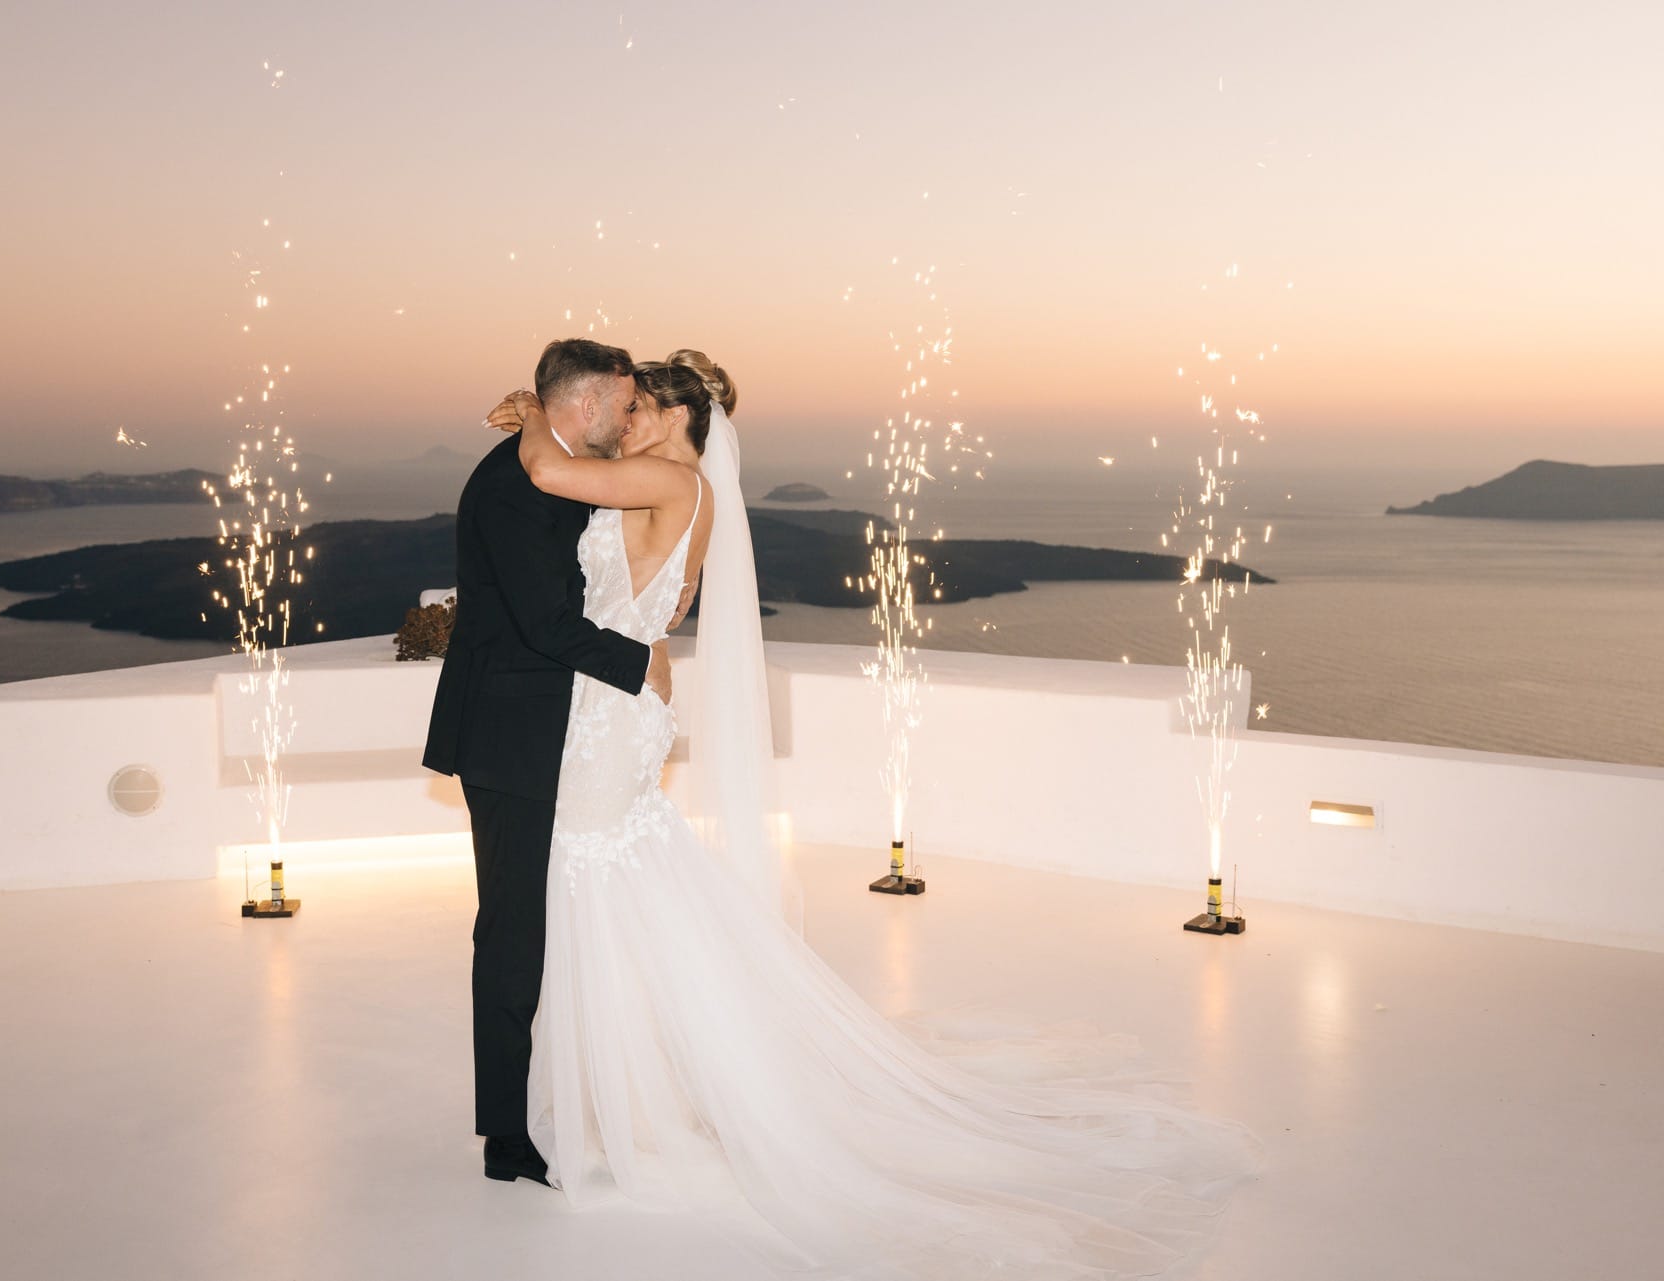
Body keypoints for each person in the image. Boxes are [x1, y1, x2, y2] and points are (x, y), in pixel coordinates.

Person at [480, 350, 1261, 1279]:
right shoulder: (681, 491)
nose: (628, 418)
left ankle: (630, 1092)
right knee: (617, 878)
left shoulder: (667, 481)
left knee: (593, 874)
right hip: (609, 703)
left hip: (607, 716)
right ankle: (648, 1080)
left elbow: (547, 470)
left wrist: (536, 410)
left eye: (642, 405)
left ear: (684, 420)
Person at [422, 338, 673, 1187]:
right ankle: (505, 1137)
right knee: (511, 931)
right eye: (624, 403)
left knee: (530, 924)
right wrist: (644, 665)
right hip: (506, 737)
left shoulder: (550, 466)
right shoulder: (513, 486)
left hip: (542, 728)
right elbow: (545, 625)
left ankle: (540, 1100)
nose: (628, 417)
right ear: (589, 402)